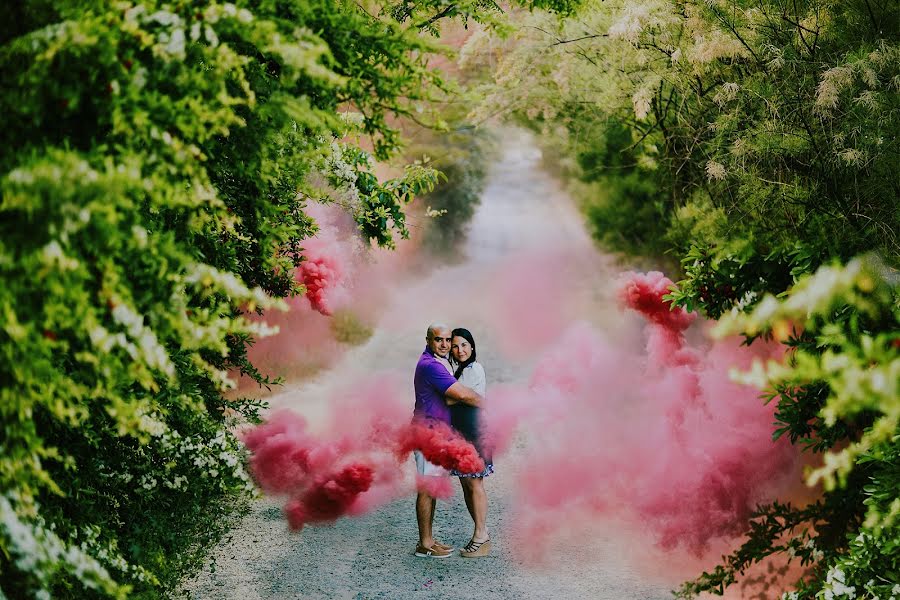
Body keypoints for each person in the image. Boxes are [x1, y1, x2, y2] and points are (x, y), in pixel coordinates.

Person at [412, 323, 483, 559]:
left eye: (447, 341)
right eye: (438, 340)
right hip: (427, 433)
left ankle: (429, 540)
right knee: (426, 488)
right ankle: (424, 544)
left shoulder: (438, 361)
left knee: (431, 487)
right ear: (428, 340)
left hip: (437, 434)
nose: (444, 345)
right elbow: (462, 394)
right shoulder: (431, 365)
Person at [447, 328, 493, 558]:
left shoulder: (474, 369)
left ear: (472, 347)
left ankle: (481, 536)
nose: (460, 350)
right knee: (467, 485)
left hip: (475, 434)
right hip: (463, 434)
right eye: (455, 346)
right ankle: (481, 531)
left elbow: (452, 397)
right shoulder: (458, 370)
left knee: (475, 484)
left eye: (464, 345)